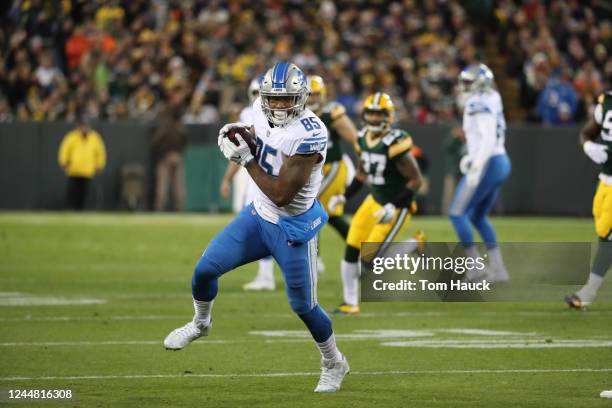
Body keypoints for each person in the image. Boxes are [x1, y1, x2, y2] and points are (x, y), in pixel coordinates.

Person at [164, 62, 349, 393]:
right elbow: (256, 136)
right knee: (204, 270)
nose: (278, 105)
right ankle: (200, 323)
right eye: (273, 99)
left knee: (304, 307)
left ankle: (334, 361)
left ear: (302, 98)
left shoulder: (310, 132)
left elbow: (281, 194)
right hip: (257, 217)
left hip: (292, 226)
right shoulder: (260, 114)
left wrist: (245, 159)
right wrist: (238, 135)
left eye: (287, 99)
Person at [328, 92, 423, 315]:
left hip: (396, 206)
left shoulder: (395, 143)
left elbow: (415, 180)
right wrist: (345, 195)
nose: (373, 119)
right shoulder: (363, 140)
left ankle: (414, 244)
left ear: (388, 116)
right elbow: (361, 174)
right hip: (373, 201)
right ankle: (350, 303)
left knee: (370, 261)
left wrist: (393, 205)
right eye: (370, 113)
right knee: (351, 249)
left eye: (379, 114)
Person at [449, 63, 511, 283]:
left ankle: (476, 268)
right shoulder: (493, 96)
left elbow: (487, 138)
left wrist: (476, 165)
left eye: (468, 82)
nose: (464, 86)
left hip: (488, 162)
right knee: (477, 216)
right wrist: (472, 156)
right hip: (500, 160)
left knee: (457, 213)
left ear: (480, 82)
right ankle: (498, 269)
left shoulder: (478, 102)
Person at [220, 75, 278, 291]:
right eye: (255, 94)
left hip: (270, 177)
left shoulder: (270, 115)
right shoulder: (250, 114)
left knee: (267, 227)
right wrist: (227, 178)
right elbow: (241, 151)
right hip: (260, 176)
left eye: (261, 93)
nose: (259, 98)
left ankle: (268, 275)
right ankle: (268, 274)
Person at [565, 91, 612, 310]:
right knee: (604, 234)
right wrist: (588, 146)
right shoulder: (607, 101)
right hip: (605, 182)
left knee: (608, 239)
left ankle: (587, 293)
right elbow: (586, 132)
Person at [307, 75, 358, 272]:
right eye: (309, 95)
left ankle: (315, 258)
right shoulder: (298, 113)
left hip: (332, 167)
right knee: (330, 216)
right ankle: (360, 250)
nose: (311, 99)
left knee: (310, 207)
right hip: (311, 170)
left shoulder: (331, 112)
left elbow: (354, 138)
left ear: (324, 94)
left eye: (316, 94)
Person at [58, 117, 106, 210]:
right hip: (74, 170)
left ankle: (81, 210)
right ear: (79, 126)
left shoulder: (95, 137)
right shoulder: (72, 136)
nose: (84, 128)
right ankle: (71, 209)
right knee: (73, 192)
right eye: (83, 126)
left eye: (86, 126)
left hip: (87, 170)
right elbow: (64, 150)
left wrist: (100, 165)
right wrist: (63, 162)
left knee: (84, 193)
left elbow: (100, 152)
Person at [152, 106, 187, 211]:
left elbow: (155, 141)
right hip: (178, 156)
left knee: (162, 185)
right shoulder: (182, 128)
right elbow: (186, 140)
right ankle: (180, 209)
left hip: (166, 157)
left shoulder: (165, 127)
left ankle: (159, 209)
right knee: (179, 186)